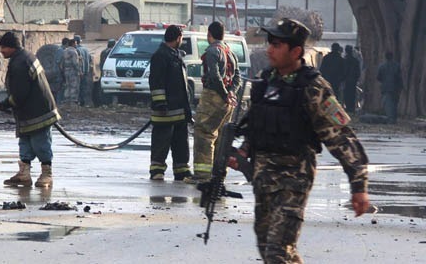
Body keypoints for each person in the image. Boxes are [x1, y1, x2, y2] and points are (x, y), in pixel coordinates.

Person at [231, 18, 369, 263]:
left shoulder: (313, 88)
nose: (269, 49)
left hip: (294, 179)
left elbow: (342, 138)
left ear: (295, 52)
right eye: (269, 43)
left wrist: (359, 186)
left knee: (277, 251)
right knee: (268, 246)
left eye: (277, 45)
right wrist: (242, 152)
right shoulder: (265, 81)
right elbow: (255, 125)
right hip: (263, 178)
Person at [0, 31, 61, 188]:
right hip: (28, 111)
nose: (1, 51)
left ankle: (46, 175)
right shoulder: (23, 57)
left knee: (40, 142)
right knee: (25, 141)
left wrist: (5, 104)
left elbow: (20, 93)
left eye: (3, 47)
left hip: (39, 111)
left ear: (11, 47)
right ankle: (24, 175)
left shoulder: (20, 63)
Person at [191, 21, 241, 182]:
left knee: (204, 134)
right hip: (228, 103)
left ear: (209, 34)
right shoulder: (229, 52)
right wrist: (231, 92)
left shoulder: (213, 51)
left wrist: (224, 93)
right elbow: (238, 77)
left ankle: (202, 175)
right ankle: (218, 174)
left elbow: (214, 75)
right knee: (221, 137)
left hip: (212, 98)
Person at [148, 25, 193, 181]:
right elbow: (156, 82)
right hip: (165, 111)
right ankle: (157, 171)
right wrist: (160, 103)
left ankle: (182, 171)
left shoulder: (176, 56)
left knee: (181, 143)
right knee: (161, 142)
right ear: (178, 38)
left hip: (179, 111)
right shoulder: (160, 56)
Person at [377, 51, 403, 124]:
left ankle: (390, 119)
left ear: (385, 57)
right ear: (392, 56)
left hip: (385, 87)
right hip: (395, 88)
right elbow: (399, 78)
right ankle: (393, 119)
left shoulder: (381, 66)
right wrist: (401, 86)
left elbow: (378, 77)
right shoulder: (397, 65)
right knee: (394, 103)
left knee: (388, 104)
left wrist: (384, 81)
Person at [59, 39, 82, 106]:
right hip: (73, 72)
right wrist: (79, 71)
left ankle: (66, 101)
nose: (76, 44)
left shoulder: (64, 51)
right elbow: (75, 63)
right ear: (73, 44)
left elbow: (61, 63)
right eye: (75, 43)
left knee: (67, 86)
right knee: (74, 86)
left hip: (66, 71)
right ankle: (73, 101)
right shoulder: (74, 52)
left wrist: (63, 71)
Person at [74, 35, 93, 106]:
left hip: (79, 72)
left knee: (77, 88)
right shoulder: (86, 49)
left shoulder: (76, 50)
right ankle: (84, 102)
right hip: (86, 72)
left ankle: (78, 102)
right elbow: (90, 60)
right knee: (84, 87)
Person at [343, 45, 361, 113]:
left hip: (346, 80)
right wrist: (357, 78)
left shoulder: (344, 60)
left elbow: (343, 71)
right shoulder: (355, 61)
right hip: (353, 81)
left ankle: (347, 107)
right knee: (352, 94)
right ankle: (351, 108)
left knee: (346, 94)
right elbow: (358, 72)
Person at [53, 37, 70, 103]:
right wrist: (63, 73)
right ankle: (59, 103)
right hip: (59, 72)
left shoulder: (60, 50)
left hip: (58, 71)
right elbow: (60, 63)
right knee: (60, 88)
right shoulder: (61, 51)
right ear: (66, 43)